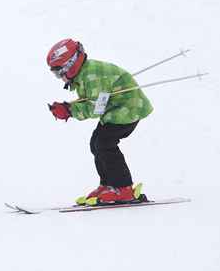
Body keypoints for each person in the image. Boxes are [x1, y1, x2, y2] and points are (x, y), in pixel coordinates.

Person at [46, 39, 153, 205]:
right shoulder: (84, 74)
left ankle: (124, 189)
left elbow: (95, 109)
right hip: (115, 111)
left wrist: (69, 111)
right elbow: (91, 99)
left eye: (59, 72)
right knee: (96, 143)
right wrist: (68, 107)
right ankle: (109, 184)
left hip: (128, 109)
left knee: (105, 144)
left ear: (71, 64)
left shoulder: (92, 76)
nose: (59, 77)